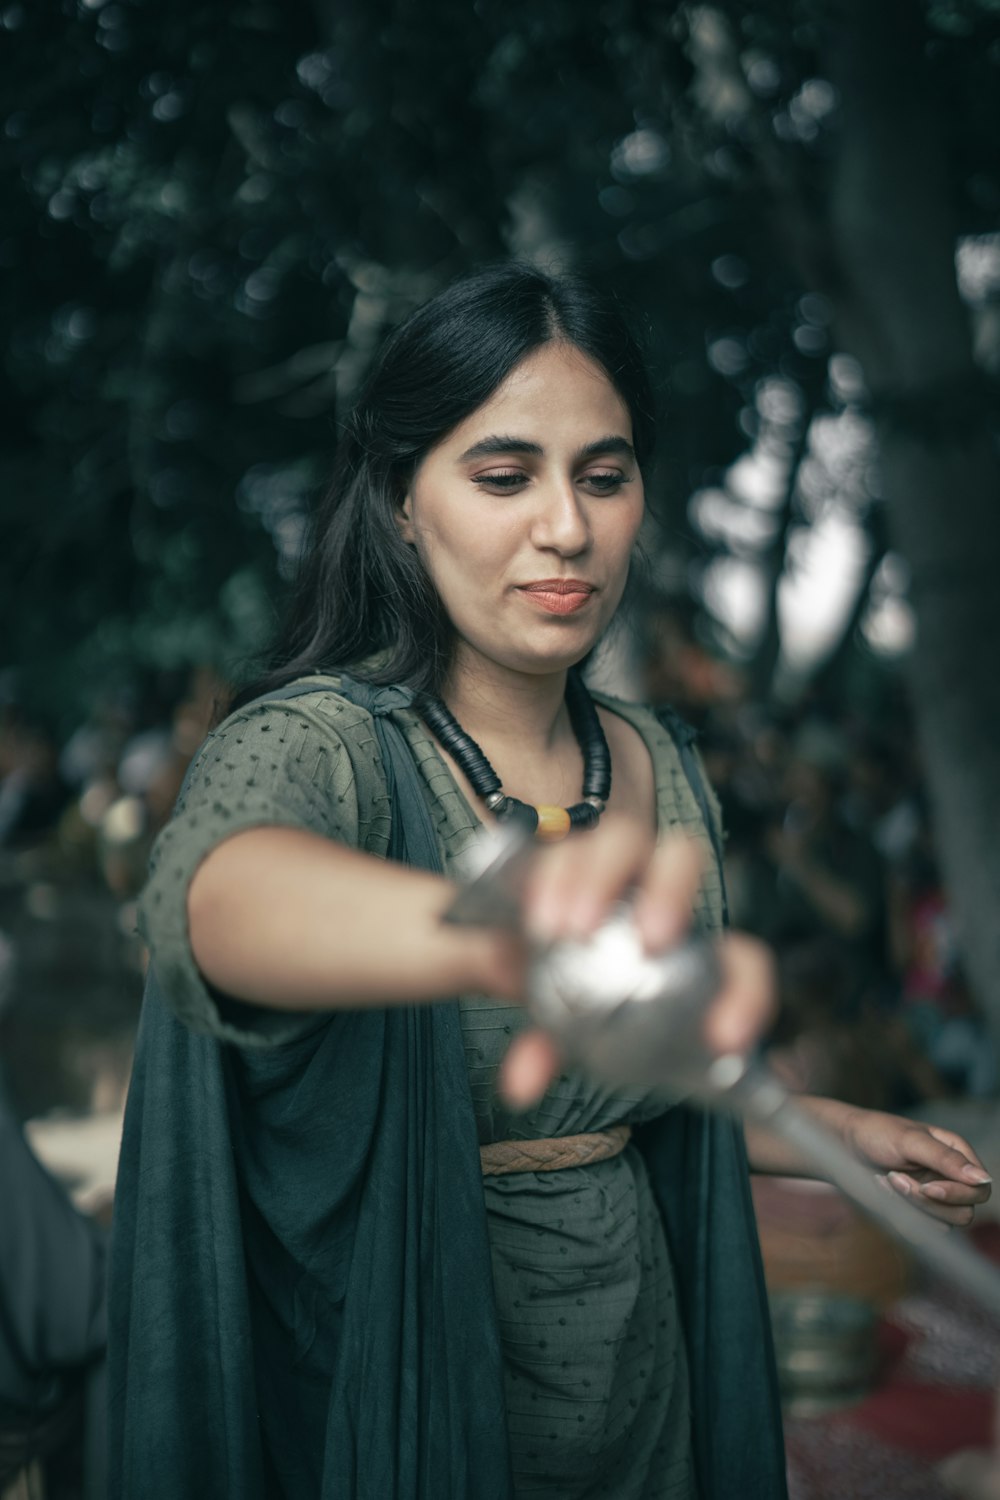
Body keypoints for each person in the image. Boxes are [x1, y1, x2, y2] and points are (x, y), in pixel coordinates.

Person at [108, 264, 990, 1500]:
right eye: (503, 476)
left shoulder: (654, 760)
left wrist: (843, 1140)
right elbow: (218, 903)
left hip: (640, 1386)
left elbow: (629, 1096)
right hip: (404, 1390)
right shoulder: (320, 742)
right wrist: (490, 932)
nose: (565, 528)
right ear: (405, 503)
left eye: (604, 477)